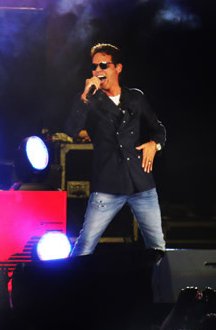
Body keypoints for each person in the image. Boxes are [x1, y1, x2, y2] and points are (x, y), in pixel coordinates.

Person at [65, 43, 167, 256]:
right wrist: (84, 96)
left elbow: (158, 129)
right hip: (107, 184)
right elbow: (71, 130)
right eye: (94, 67)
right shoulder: (90, 101)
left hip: (141, 183)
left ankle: (159, 278)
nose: (98, 70)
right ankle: (71, 277)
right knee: (85, 245)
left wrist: (154, 144)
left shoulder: (135, 98)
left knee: (157, 246)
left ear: (117, 68)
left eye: (103, 65)